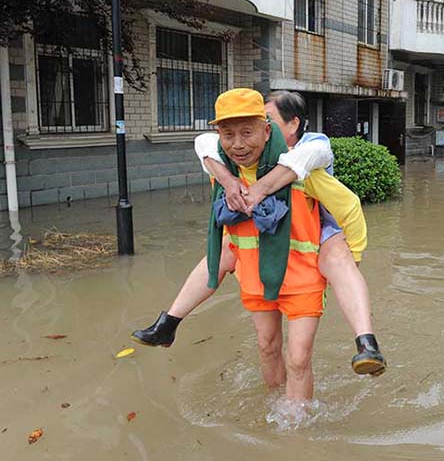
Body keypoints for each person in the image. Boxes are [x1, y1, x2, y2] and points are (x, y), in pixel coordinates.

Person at [132, 90, 386, 376]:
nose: (240, 142)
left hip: (319, 224)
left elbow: (313, 167)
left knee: (340, 261)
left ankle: (366, 343)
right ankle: (170, 321)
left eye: (265, 122)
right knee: (225, 253)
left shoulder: (311, 146)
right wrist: (228, 180)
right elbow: (204, 142)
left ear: (290, 125)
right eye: (231, 133)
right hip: (266, 244)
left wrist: (260, 189)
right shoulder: (238, 160)